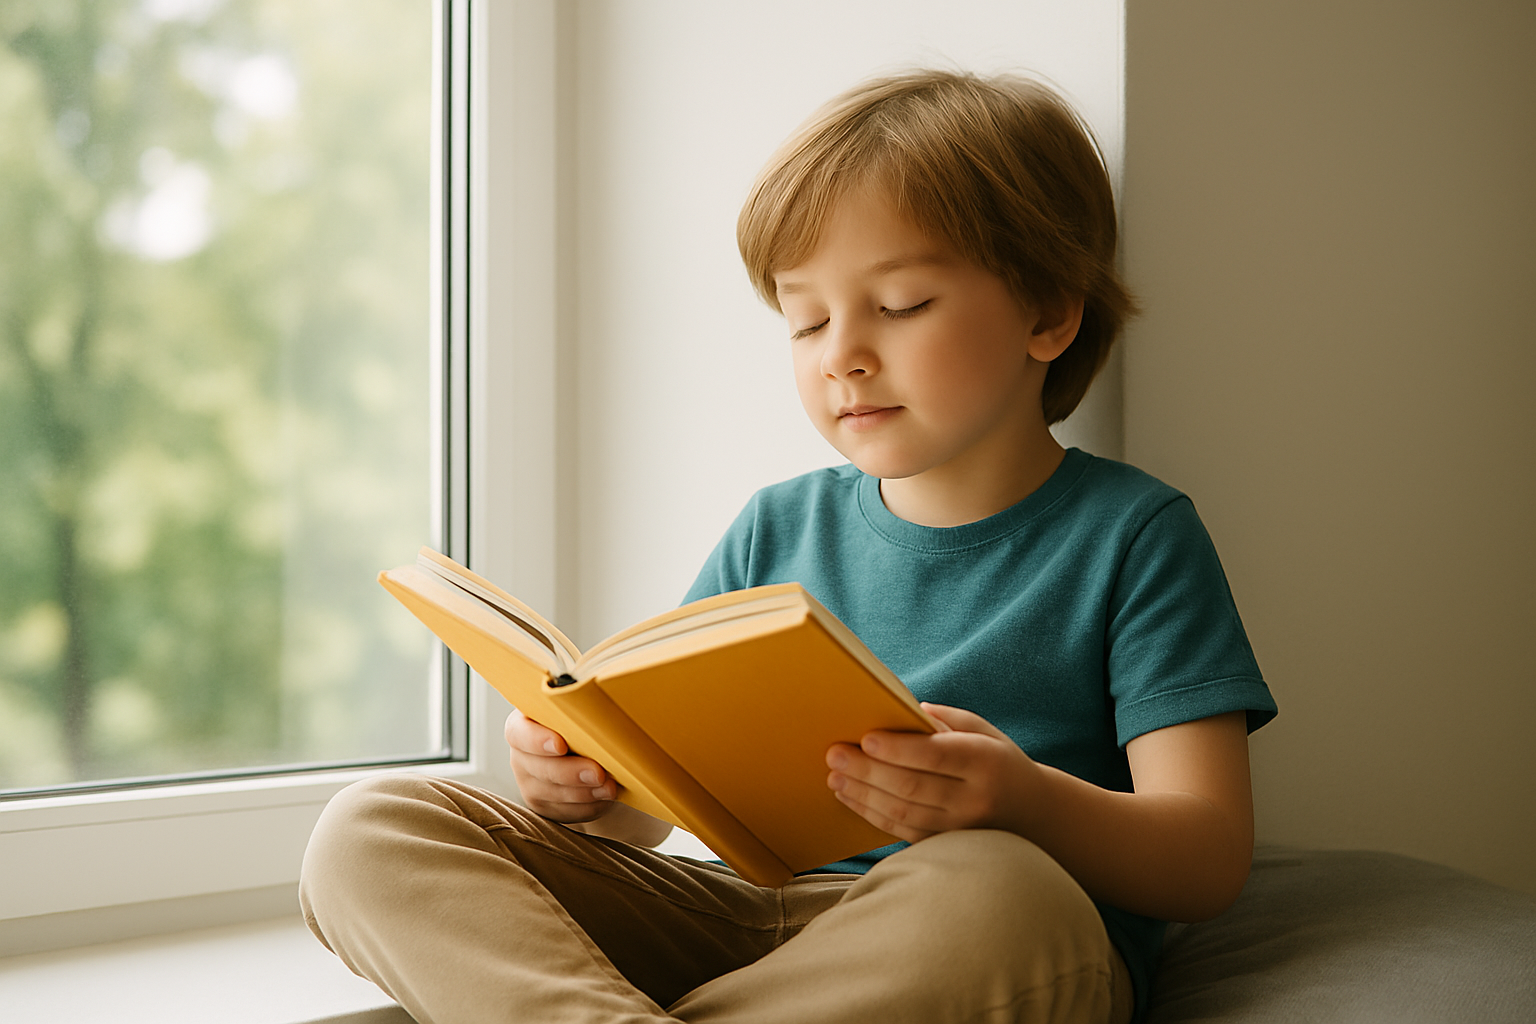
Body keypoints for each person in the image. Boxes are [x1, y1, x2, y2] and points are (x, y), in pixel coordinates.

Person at [300, 69, 1277, 1024]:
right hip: (747, 920)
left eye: (898, 306)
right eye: (805, 319)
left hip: (969, 933)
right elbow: (654, 815)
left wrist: (1024, 800)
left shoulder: (1133, 535)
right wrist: (586, 783)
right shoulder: (777, 526)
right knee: (369, 828)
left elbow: (1206, 856)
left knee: (998, 884)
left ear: (1049, 313)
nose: (841, 352)